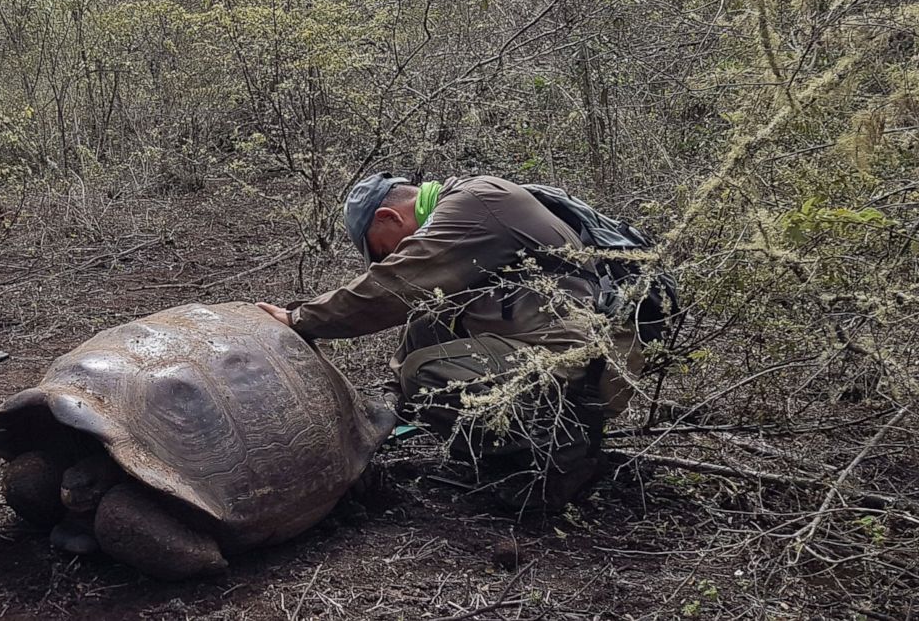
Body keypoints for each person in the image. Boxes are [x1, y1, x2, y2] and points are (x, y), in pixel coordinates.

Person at [256, 173, 642, 513]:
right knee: (430, 322)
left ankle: (562, 452)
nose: (389, 259)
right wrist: (389, 404)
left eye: (384, 251)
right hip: (565, 348)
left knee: (425, 374)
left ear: (389, 217)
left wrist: (299, 319)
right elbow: (426, 317)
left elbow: (395, 286)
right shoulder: (474, 204)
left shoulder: (476, 204)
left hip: (581, 362)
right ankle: (533, 444)